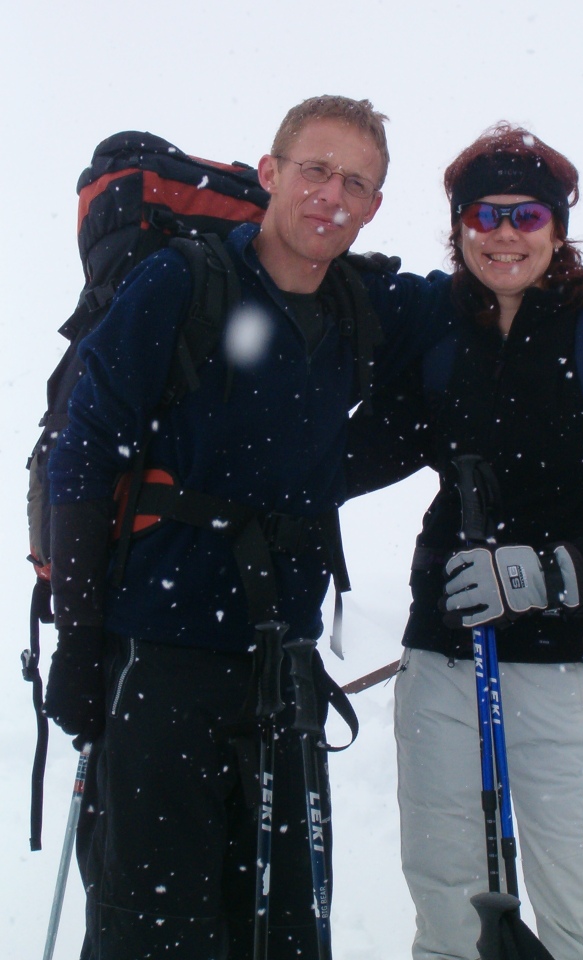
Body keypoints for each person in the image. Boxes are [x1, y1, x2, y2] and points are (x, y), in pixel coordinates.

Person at [43, 94, 451, 960]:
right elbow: (83, 454)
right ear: (270, 172)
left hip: (282, 668)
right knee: (150, 934)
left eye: (356, 183)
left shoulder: (362, 304)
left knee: (283, 932)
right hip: (159, 662)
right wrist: (79, 641)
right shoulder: (183, 283)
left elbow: (487, 297)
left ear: (375, 205)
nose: (331, 196)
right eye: (315, 170)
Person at [345, 123, 583, 960]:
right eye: (485, 214)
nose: (505, 234)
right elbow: (346, 459)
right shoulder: (441, 330)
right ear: (459, 226)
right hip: (442, 659)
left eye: (528, 215)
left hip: (567, 671)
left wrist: (551, 572)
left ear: (558, 226)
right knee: (452, 922)